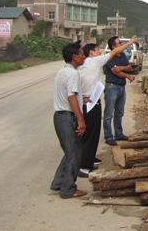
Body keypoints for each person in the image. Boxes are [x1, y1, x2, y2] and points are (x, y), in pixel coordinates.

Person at [78, 36, 137, 177]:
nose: (99, 52)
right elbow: (113, 54)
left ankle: (90, 160)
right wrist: (130, 43)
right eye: (97, 50)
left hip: (93, 102)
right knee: (89, 135)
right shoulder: (94, 61)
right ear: (91, 53)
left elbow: (127, 66)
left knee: (93, 134)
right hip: (90, 104)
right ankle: (83, 167)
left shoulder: (87, 63)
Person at [50, 41, 87, 199]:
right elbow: (71, 96)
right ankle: (68, 189)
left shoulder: (61, 72)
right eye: (81, 54)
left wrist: (81, 101)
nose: (84, 56)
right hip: (67, 117)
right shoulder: (73, 74)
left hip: (59, 117)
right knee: (74, 154)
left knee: (69, 151)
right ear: (74, 57)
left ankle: (58, 182)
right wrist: (80, 119)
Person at [103, 36, 136, 146]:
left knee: (119, 112)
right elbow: (115, 72)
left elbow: (129, 67)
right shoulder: (109, 57)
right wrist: (128, 76)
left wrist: (122, 68)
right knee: (108, 114)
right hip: (112, 87)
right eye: (119, 43)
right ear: (113, 46)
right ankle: (108, 136)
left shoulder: (122, 55)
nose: (121, 44)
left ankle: (119, 133)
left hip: (121, 87)